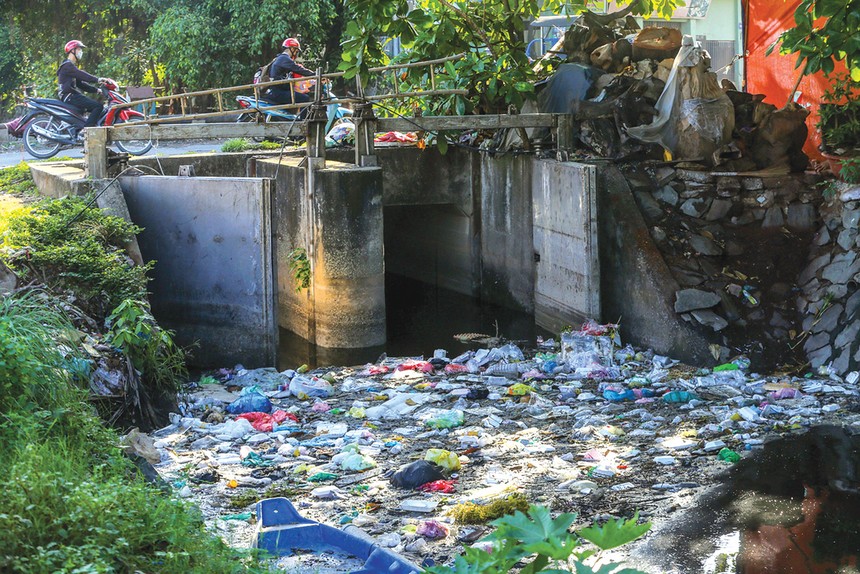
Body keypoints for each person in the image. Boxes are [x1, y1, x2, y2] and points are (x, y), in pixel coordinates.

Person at [57, 40, 110, 139]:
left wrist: (96, 90)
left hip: (71, 95)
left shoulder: (70, 66)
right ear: (72, 51)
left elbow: (80, 84)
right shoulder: (67, 65)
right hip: (69, 96)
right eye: (79, 49)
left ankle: (79, 129)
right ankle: (85, 132)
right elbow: (82, 75)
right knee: (98, 107)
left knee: (96, 108)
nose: (81, 52)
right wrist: (97, 79)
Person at [264, 38, 315, 109]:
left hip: (276, 91)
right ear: (292, 49)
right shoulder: (284, 58)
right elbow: (298, 69)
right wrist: (315, 74)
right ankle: (303, 120)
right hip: (277, 92)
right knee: (304, 98)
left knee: (300, 95)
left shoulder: (280, 58)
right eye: (296, 51)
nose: (296, 54)